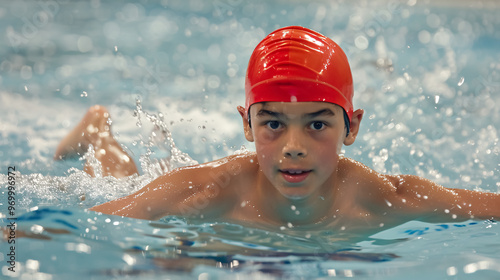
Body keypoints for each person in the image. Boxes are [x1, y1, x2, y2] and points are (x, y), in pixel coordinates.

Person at [56, 26, 499, 235]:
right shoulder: (211, 192)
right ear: (246, 125)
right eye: (272, 124)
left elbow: (485, 206)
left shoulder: (384, 199)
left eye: (317, 124)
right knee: (118, 178)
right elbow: (88, 225)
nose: (293, 148)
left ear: (352, 126)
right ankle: (99, 133)